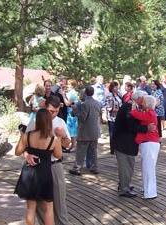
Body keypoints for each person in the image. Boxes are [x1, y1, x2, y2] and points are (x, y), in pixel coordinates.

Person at [25, 96, 71, 225]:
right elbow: (24, 143)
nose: (54, 114)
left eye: (56, 111)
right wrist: (26, 155)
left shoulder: (60, 122)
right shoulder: (34, 122)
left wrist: (63, 136)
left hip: (55, 165)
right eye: (51, 111)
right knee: (39, 204)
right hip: (38, 167)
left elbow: (68, 145)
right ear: (45, 106)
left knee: (59, 202)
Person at [15, 109, 62, 225]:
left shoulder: (27, 136)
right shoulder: (53, 139)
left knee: (30, 208)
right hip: (45, 174)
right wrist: (60, 138)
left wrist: (26, 153)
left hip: (29, 173)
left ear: (37, 121)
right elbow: (58, 155)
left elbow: (17, 152)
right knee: (48, 208)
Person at [113, 99, 153, 197]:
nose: (144, 102)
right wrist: (146, 128)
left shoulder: (130, 106)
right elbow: (131, 126)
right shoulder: (129, 108)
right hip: (124, 143)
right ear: (138, 99)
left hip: (125, 143)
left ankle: (124, 185)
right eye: (143, 100)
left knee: (128, 166)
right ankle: (124, 189)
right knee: (126, 167)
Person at [130, 95, 160, 199]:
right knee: (147, 167)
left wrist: (133, 106)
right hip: (150, 143)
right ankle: (147, 189)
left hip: (149, 143)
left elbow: (135, 114)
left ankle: (150, 193)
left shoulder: (149, 113)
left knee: (148, 168)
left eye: (143, 102)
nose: (141, 103)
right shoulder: (150, 113)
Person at [69, 86, 102, 176]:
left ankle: (77, 168)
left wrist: (75, 108)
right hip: (95, 131)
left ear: (86, 93)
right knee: (93, 151)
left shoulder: (85, 104)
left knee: (81, 151)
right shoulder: (98, 103)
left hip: (85, 132)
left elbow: (83, 118)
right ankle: (94, 167)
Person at [106, 81, 122, 154]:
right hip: (112, 117)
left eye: (117, 86)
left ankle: (118, 148)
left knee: (118, 133)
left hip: (119, 117)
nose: (116, 88)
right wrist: (116, 109)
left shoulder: (119, 94)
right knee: (112, 133)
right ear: (112, 88)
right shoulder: (109, 95)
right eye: (115, 87)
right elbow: (108, 107)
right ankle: (112, 149)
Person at [66, 79, 79, 152]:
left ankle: (74, 145)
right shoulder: (71, 92)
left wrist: (63, 96)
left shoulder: (72, 93)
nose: (68, 86)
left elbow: (68, 103)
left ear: (72, 85)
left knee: (72, 129)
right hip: (70, 112)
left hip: (72, 113)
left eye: (69, 84)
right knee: (70, 128)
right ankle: (72, 145)